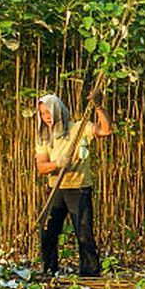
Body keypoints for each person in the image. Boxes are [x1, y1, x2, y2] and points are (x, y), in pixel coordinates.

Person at [33, 92, 113, 278]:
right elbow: (41, 167)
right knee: (48, 232)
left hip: (78, 188)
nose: (47, 117)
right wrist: (57, 164)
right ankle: (49, 270)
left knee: (84, 233)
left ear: (58, 110)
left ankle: (90, 274)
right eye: (43, 114)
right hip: (55, 189)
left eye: (49, 112)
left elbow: (106, 131)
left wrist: (98, 107)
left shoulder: (78, 128)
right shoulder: (44, 137)